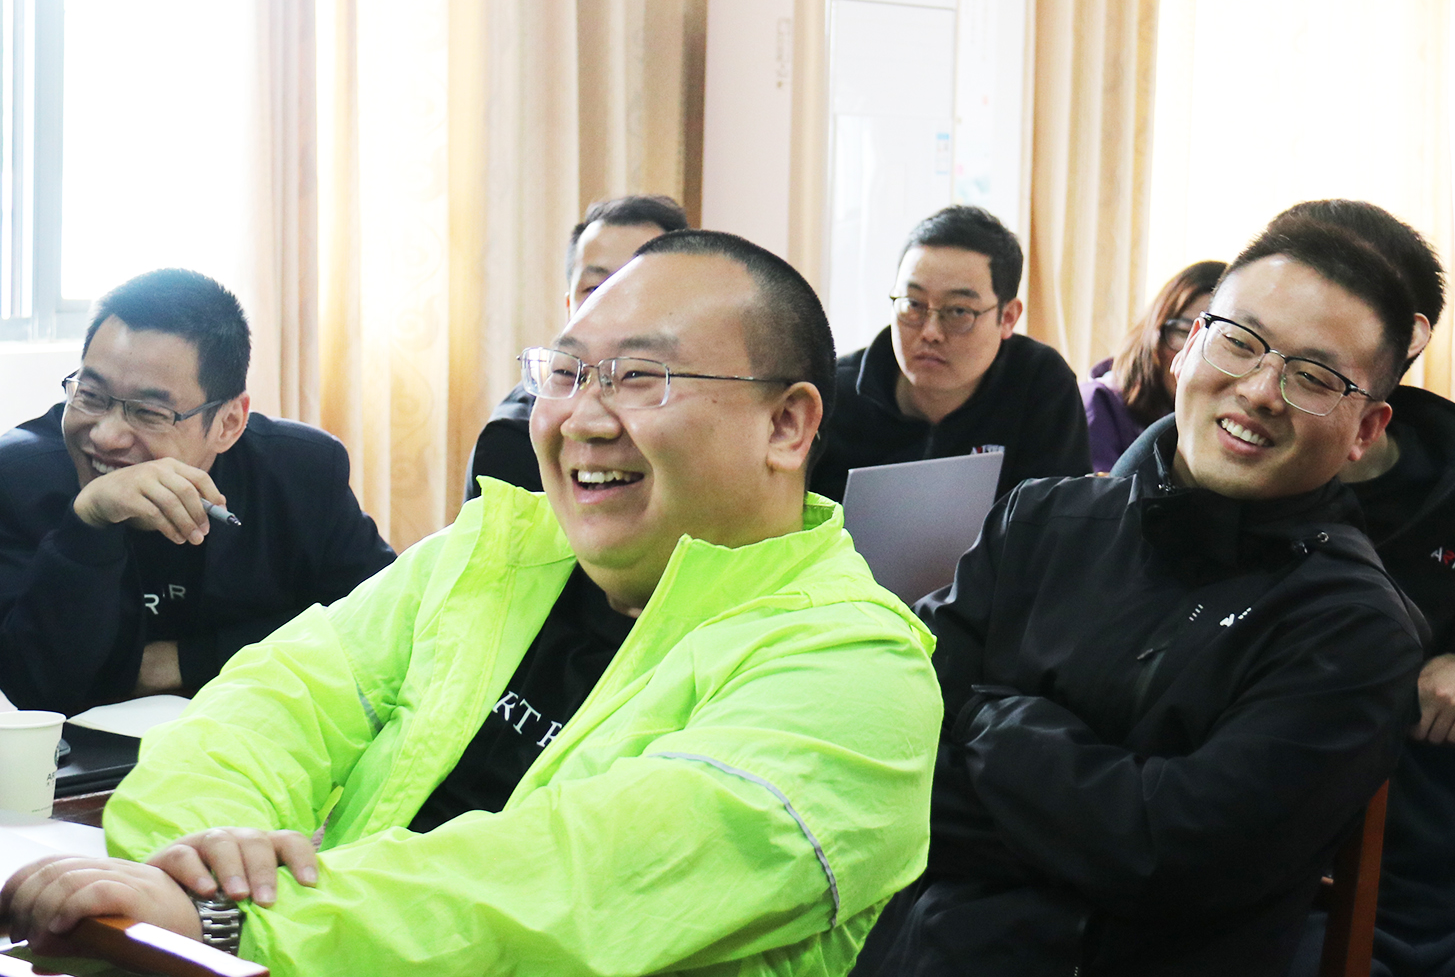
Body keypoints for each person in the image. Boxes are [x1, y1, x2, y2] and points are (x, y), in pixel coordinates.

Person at [2, 231, 944, 977]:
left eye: (639, 378)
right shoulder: (497, 552)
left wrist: (231, 922)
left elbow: (571, 888)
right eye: (567, 373)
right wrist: (192, 865)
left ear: (787, 424)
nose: (582, 418)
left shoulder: (856, 669)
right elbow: (270, 703)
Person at [853, 218, 1428, 976]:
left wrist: (995, 719)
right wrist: (1096, 814)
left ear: (1366, 430)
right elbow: (884, 736)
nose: (1261, 391)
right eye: (1239, 342)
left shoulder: (1355, 631)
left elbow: (1173, 859)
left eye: (1316, 378)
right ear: (1184, 348)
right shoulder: (1043, 518)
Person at [1118, 200, 1455, 975]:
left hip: (1436, 855)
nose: (1262, 393)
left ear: (1404, 344)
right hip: (1233, 845)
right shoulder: (1185, 462)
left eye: (1316, 364)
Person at [0, 269, 393, 714]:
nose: (106, 436)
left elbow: (383, 622)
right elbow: (29, 692)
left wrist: (184, 660)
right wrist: (89, 521)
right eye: (91, 395)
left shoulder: (300, 472)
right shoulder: (18, 479)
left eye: (149, 412)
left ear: (228, 423)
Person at [811, 205, 1089, 501]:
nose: (930, 332)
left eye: (958, 311)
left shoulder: (1040, 385)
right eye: (913, 304)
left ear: (1008, 317)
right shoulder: (830, 396)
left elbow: (1063, 518)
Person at [464, 194, 689, 500]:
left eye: (641, 286)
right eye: (594, 289)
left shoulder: (702, 406)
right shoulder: (516, 439)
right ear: (570, 306)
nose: (614, 305)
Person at [1081, 260, 1223, 472]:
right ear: (1155, 332)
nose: (1192, 354)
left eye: (1216, 341)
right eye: (1184, 332)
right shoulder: (1099, 405)